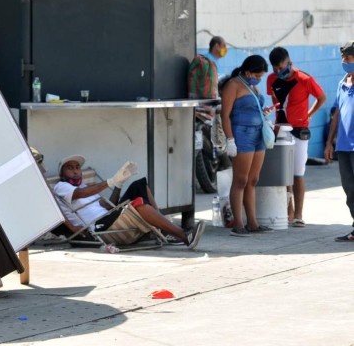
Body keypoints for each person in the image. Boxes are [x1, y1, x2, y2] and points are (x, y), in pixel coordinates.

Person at [53, 155, 205, 249]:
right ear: (62, 173)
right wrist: (111, 181)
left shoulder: (85, 186)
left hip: (107, 218)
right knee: (139, 205)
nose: (75, 171)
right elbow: (81, 194)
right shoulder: (62, 187)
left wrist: (119, 184)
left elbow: (110, 206)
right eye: (70, 168)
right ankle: (184, 236)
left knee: (139, 185)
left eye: (77, 167)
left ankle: (164, 229)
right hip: (98, 226)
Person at [267, 47, 326, 227]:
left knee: (298, 173)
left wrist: (309, 113)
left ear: (289, 62)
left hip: (299, 130)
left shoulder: (304, 79)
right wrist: (279, 112)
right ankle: (288, 212)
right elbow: (273, 97)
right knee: (284, 174)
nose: (278, 72)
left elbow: (321, 97)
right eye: (275, 68)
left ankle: (299, 214)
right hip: (280, 129)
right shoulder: (271, 79)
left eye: (281, 67)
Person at [220, 55, 273, 237]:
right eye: (257, 75)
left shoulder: (252, 86)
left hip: (258, 135)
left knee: (253, 179)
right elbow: (224, 115)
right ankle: (239, 223)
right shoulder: (233, 85)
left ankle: (253, 223)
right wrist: (230, 139)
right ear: (248, 71)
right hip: (241, 135)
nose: (259, 79)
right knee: (240, 180)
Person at [324, 40, 354, 241]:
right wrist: (329, 142)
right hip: (343, 146)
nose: (344, 61)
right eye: (343, 57)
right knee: (350, 190)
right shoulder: (342, 83)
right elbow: (336, 114)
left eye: (348, 58)